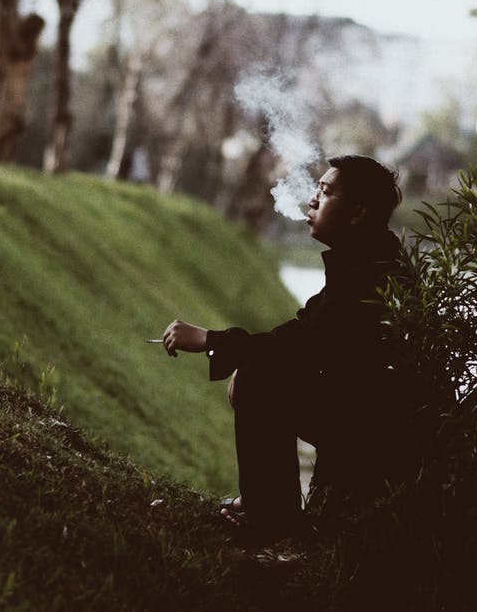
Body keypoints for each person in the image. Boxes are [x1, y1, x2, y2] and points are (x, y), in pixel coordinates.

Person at [160, 154, 415, 543]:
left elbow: (303, 344)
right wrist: (244, 359)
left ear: (357, 213)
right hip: (367, 415)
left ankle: (270, 520)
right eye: (315, 189)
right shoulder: (366, 258)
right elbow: (306, 332)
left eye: (326, 192)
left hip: (377, 433)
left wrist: (212, 342)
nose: (313, 200)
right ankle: (266, 505)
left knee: (260, 376)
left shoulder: (370, 274)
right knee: (258, 370)